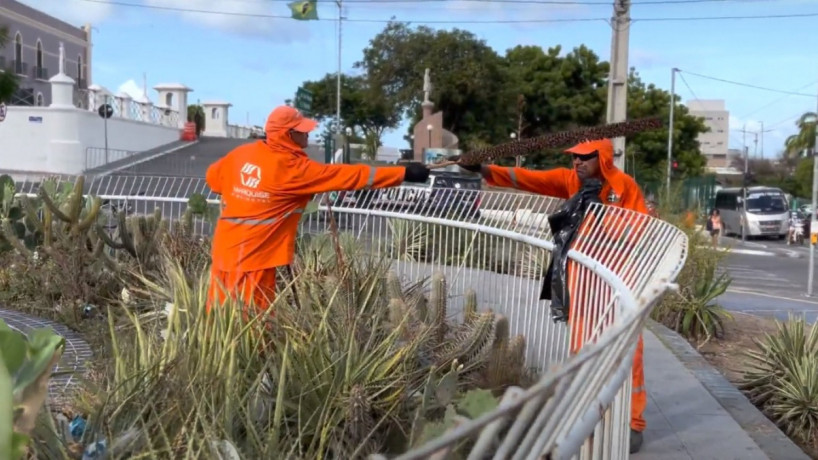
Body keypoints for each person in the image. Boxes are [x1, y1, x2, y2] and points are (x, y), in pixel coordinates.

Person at [449, 138, 649, 454]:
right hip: (582, 281)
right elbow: (527, 178)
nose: (577, 162)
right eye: (574, 157)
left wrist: (597, 215)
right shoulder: (570, 180)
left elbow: (639, 231)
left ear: (603, 158)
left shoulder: (622, 187)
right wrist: (484, 168)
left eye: (585, 157)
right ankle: (584, 415)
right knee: (581, 350)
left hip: (618, 280)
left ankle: (632, 423)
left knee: (628, 351)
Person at [205, 105, 431, 314]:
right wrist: (404, 173)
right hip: (256, 257)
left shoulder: (241, 154)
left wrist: (245, 196)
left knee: (217, 315)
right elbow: (353, 176)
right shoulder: (294, 169)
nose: (307, 134)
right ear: (287, 135)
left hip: (225, 249)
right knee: (253, 322)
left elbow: (214, 180)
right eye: (301, 130)